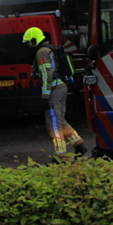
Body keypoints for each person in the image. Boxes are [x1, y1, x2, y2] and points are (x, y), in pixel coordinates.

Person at [22, 26, 88, 160]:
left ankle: (60, 155)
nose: (28, 46)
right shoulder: (50, 49)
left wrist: (45, 96)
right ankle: (78, 144)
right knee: (59, 119)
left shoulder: (41, 52)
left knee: (53, 123)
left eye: (29, 42)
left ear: (34, 41)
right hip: (61, 87)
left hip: (54, 90)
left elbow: (47, 74)